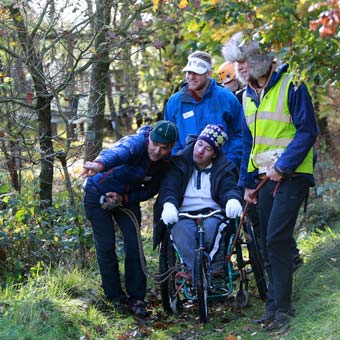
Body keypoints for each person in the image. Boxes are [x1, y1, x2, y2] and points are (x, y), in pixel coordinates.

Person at [222, 32, 319, 331]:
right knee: (263, 242)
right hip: (262, 179)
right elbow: (249, 142)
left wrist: (284, 165)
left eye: (244, 60)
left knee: (277, 238)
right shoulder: (246, 96)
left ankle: (285, 310)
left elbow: (308, 131)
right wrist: (246, 184)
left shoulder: (294, 85)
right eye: (236, 62)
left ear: (262, 59)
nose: (239, 67)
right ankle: (273, 305)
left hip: (292, 176)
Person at [81, 120, 178, 318]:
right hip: (97, 192)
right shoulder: (134, 144)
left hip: (126, 198)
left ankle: (137, 298)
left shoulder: (166, 163)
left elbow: (151, 190)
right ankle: (115, 297)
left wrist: (124, 199)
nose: (157, 151)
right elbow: (116, 153)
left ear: (170, 148)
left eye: (164, 148)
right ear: (149, 138)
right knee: (106, 245)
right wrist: (98, 165)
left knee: (134, 246)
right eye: (155, 144)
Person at [154, 124, 243, 276]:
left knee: (212, 230)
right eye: (199, 144)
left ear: (214, 154)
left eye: (207, 149)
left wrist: (232, 200)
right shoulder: (179, 162)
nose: (200, 151)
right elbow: (170, 187)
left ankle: (215, 267)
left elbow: (229, 188)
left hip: (213, 213)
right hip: (184, 213)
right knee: (181, 232)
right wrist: (169, 204)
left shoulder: (224, 167)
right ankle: (194, 273)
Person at [164, 50, 244, 169]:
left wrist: (230, 162)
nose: (191, 77)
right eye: (189, 72)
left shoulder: (227, 98)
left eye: (196, 73)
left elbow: (241, 133)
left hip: (221, 170)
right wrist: (177, 163)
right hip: (184, 171)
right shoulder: (175, 102)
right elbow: (169, 138)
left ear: (208, 74)